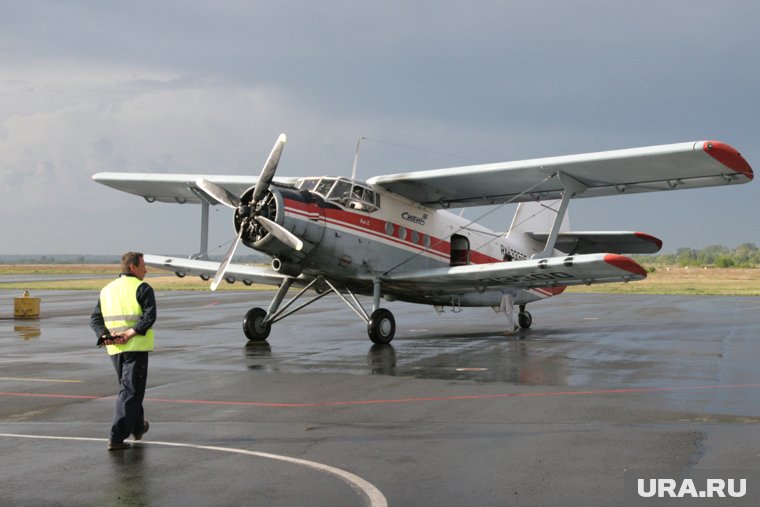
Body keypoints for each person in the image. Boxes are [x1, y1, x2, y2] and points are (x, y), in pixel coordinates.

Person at [90, 252, 156, 451]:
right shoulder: (142, 288)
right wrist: (130, 333)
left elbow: (95, 319)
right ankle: (116, 437)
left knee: (130, 388)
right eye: (143, 265)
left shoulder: (107, 290)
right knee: (131, 391)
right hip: (134, 347)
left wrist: (104, 335)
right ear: (133, 267)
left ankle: (137, 427)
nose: (146, 269)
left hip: (114, 348)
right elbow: (149, 317)